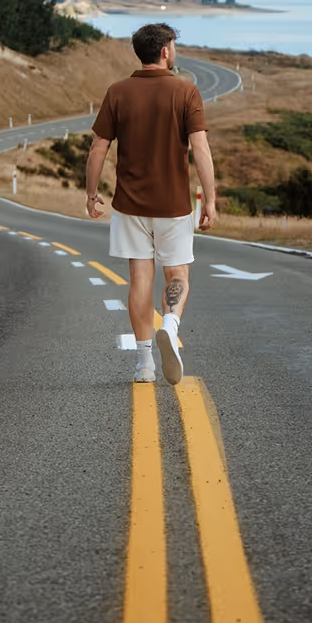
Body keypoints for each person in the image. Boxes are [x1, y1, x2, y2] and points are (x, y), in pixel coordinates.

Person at [85, 23, 217, 384]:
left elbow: (99, 147)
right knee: (178, 276)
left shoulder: (118, 92)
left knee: (139, 280)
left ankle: (144, 364)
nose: (174, 51)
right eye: (173, 46)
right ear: (164, 51)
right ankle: (170, 326)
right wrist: (209, 198)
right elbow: (200, 149)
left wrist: (91, 192)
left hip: (129, 205)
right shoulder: (186, 92)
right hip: (173, 206)